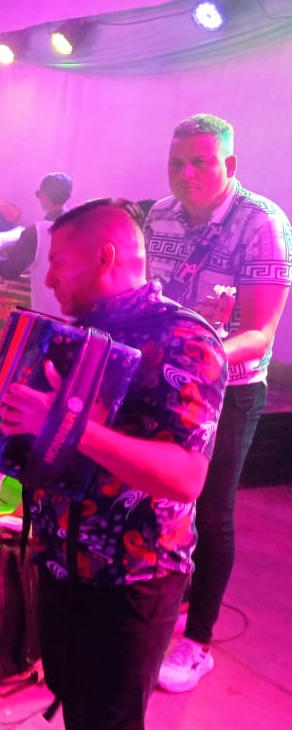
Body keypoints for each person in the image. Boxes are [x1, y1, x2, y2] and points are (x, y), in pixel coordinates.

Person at [0, 199, 228, 730]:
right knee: (73, 700)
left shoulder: (186, 339)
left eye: (58, 262)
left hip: (132, 577)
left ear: (104, 257)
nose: (48, 278)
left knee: (108, 721)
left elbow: (185, 477)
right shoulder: (76, 333)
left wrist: (65, 425)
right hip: (58, 561)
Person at [144, 114, 291, 693]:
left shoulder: (263, 223)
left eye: (200, 162)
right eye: (177, 163)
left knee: (210, 511)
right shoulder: (159, 215)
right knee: (159, 496)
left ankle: (197, 641)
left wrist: (197, 358)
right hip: (164, 379)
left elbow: (260, 332)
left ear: (229, 164)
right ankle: (167, 602)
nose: (186, 174)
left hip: (229, 389)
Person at [0, 172, 73, 317]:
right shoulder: (82, 228)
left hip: (48, 319)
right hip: (77, 321)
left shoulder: (37, 232)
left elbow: (9, 271)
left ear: (43, 196)